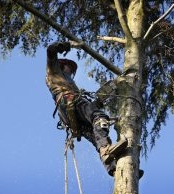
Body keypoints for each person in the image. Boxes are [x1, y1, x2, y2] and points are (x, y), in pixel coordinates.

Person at [45, 41, 128, 176]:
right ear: (62, 65)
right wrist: (61, 46)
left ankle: (114, 169)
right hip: (68, 101)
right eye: (69, 68)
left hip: (72, 116)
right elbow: (50, 51)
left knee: (97, 137)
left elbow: (87, 108)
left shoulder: (71, 84)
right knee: (99, 117)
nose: (71, 71)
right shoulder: (54, 71)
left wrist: (101, 99)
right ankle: (106, 149)